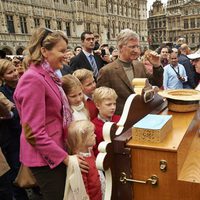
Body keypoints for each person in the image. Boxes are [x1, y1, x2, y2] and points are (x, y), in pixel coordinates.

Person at [14, 27, 89, 200]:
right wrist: (65, 158)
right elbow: (33, 132)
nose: (66, 54)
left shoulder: (47, 75)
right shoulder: (33, 78)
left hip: (55, 151)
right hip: (46, 159)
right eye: (61, 51)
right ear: (44, 51)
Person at [97, 29, 163, 115]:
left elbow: (156, 83)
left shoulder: (139, 65)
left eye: (137, 47)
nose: (136, 50)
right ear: (120, 47)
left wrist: (157, 66)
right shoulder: (107, 71)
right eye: (132, 47)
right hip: (121, 119)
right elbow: (102, 100)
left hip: (142, 114)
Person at [0, 59, 29, 199]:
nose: (15, 73)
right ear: (2, 77)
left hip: (29, 132)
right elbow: (11, 114)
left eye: (15, 70)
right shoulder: (2, 93)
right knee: (17, 171)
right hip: (13, 137)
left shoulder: (25, 84)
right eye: (10, 72)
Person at [67, 120, 102, 200]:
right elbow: (83, 187)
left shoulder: (90, 151)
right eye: (92, 134)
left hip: (98, 193)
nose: (95, 136)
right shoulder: (81, 162)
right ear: (82, 140)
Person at [92, 86, 120, 157]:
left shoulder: (120, 120)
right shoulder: (93, 126)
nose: (113, 107)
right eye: (109, 104)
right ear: (98, 105)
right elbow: (94, 151)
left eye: (114, 104)